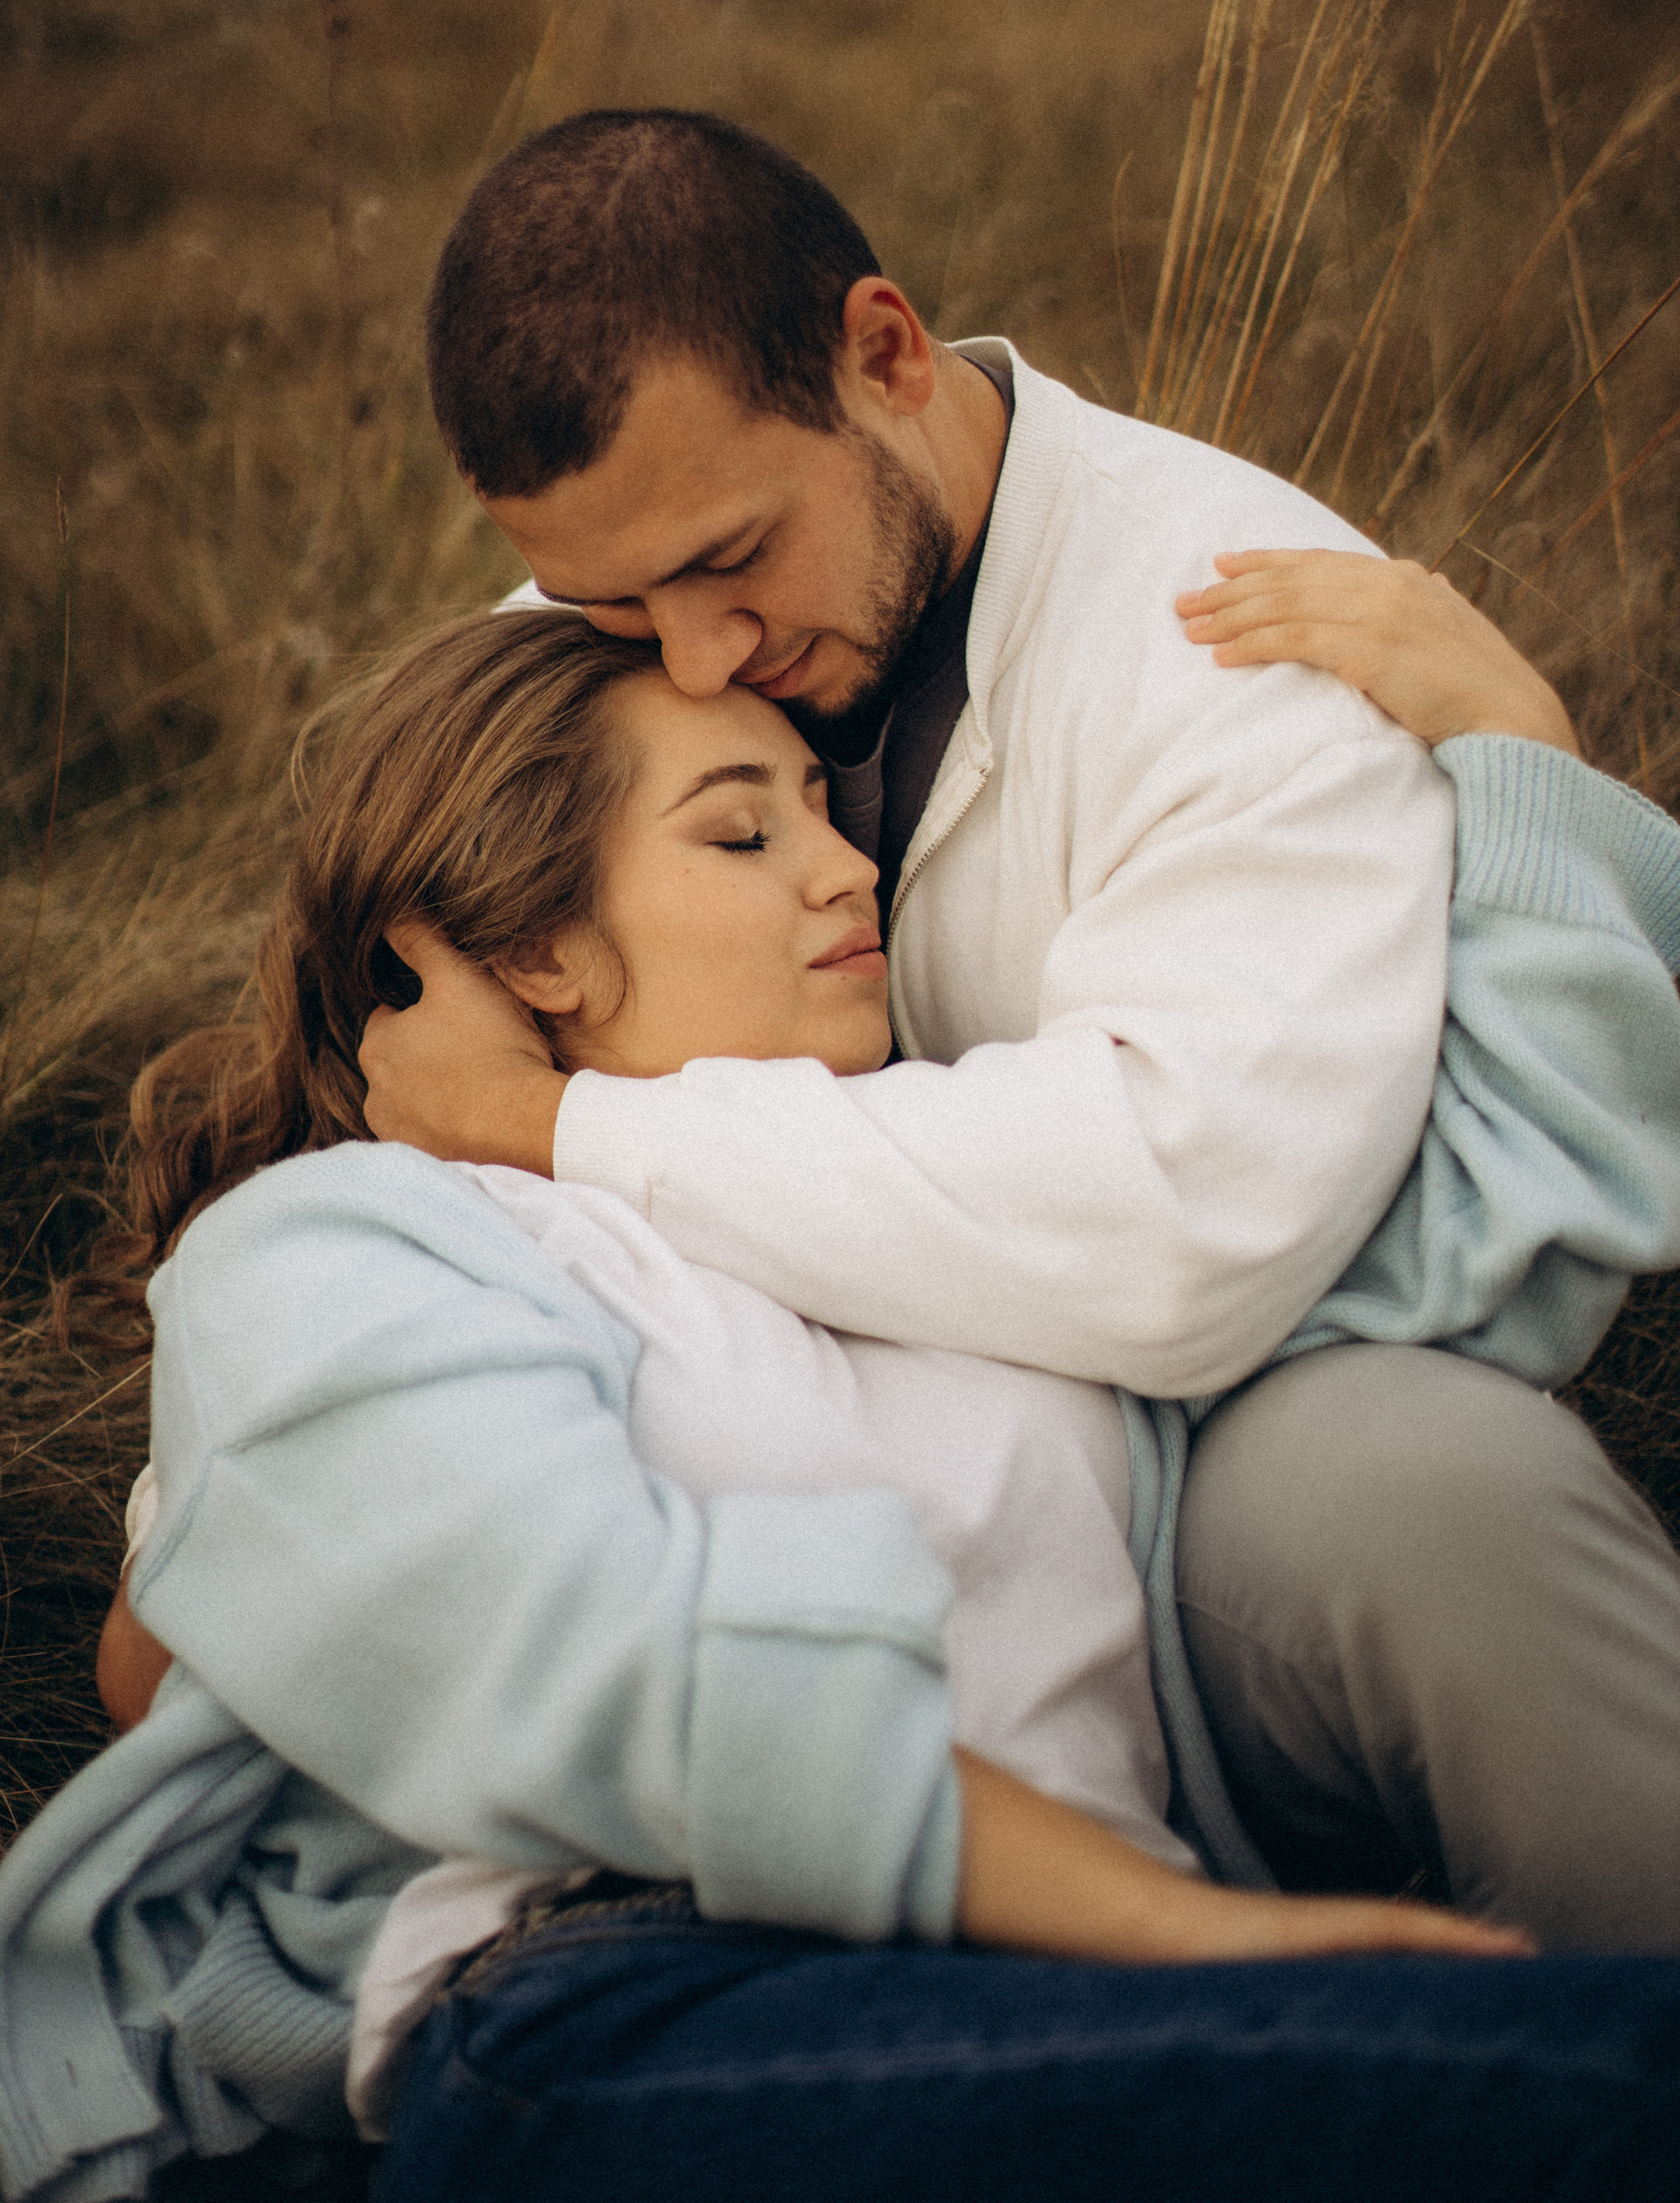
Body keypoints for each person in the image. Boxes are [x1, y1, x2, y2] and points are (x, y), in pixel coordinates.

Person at [5, 574, 1678, 2202]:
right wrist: (1192, 1933)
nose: (843, 867)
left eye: (825, 809)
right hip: (636, 1995)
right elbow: (591, 1654)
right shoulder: (369, 1238)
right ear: (531, 951)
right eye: (741, 834)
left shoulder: (923, 1202)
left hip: (1072, 2005)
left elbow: (1462, 1270)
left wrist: (1523, 773)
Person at [360, 107, 1680, 1940]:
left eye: (733, 557)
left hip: (1174, 1486)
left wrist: (565, 1126)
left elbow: (1176, 1227)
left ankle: (1603, 2045)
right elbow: (397, 1089)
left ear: (883, 354)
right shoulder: (606, 631)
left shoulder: (1228, 623)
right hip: (695, 1455)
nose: (692, 654)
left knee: (1446, 1495)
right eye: (611, 598)